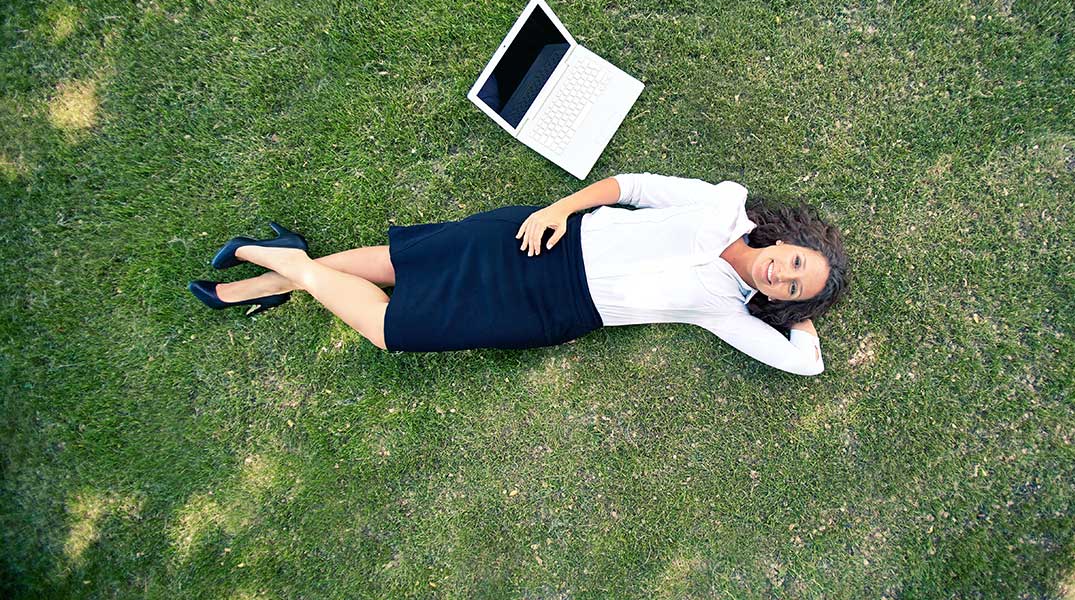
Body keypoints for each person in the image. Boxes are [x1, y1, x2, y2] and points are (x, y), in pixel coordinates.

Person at [188, 173, 850, 375]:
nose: (781, 273)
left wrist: (803, 309)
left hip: (551, 311)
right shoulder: (724, 204)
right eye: (794, 262)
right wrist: (558, 208)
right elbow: (636, 186)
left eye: (790, 287)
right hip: (548, 238)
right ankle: (278, 270)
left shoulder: (729, 310)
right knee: (404, 262)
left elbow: (806, 366)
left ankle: (282, 262)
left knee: (392, 329)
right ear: (788, 238)